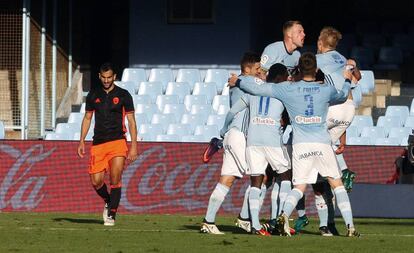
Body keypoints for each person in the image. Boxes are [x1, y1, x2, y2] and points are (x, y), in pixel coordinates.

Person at [228, 52, 360, 237]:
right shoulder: (326, 89)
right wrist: (346, 78)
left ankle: (282, 216)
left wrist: (239, 81)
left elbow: (260, 89)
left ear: (299, 68)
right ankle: (350, 227)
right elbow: (343, 95)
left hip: (300, 145)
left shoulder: (287, 88)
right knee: (337, 184)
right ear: (315, 69)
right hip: (322, 143)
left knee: (299, 187)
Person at [220, 63, 291, 236]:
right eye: (286, 76)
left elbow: (232, 111)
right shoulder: (283, 92)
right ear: (280, 78)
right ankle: (283, 218)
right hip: (272, 141)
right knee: (286, 176)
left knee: (256, 181)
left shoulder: (253, 92)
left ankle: (256, 226)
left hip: (253, 141)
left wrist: (224, 129)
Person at [200, 52, 261, 235]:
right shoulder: (244, 84)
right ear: (247, 69)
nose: (259, 73)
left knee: (227, 179)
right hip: (239, 136)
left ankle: (208, 221)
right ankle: (244, 218)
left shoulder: (240, 83)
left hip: (232, 136)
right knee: (259, 177)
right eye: (257, 69)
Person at [77, 62, 138, 226]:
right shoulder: (93, 95)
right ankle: (108, 200)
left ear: (114, 77)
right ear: (99, 77)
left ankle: (112, 214)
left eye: (109, 77)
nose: (106, 80)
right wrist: (81, 140)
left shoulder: (124, 95)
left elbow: (131, 122)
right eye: (103, 77)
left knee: (115, 177)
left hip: (118, 142)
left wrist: (134, 146)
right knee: (96, 181)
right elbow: (88, 118)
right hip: (98, 144)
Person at [315, 26, 362, 235]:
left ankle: (342, 170)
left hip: (333, 108)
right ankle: (331, 225)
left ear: (320, 42)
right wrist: (344, 136)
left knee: (314, 150)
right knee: (326, 151)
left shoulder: (318, 60)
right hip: (349, 110)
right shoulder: (343, 59)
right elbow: (356, 79)